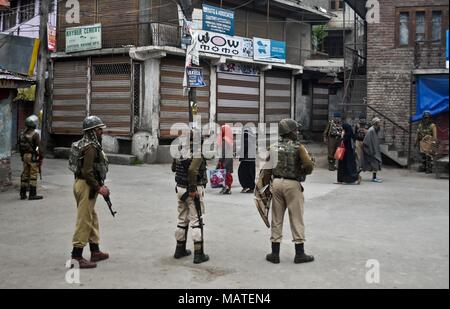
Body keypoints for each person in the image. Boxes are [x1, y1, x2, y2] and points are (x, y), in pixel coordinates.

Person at [257, 119, 315, 264]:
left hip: (276, 183)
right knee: (296, 217)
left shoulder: (273, 147)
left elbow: (267, 169)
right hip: (292, 184)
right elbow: (308, 164)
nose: (297, 132)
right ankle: (299, 253)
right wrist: (303, 171)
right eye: (295, 130)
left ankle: (274, 254)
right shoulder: (298, 147)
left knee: (276, 218)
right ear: (289, 132)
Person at [70, 116, 110, 269]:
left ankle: (95, 251)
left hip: (82, 184)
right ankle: (76, 256)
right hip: (86, 185)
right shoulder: (91, 147)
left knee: (92, 217)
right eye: (99, 129)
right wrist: (99, 188)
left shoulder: (85, 143)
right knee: (84, 220)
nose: (101, 132)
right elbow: (88, 172)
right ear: (92, 131)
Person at [171, 130, 209, 264]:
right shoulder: (197, 151)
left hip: (179, 188)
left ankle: (179, 249)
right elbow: (193, 170)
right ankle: (199, 254)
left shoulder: (180, 150)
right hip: (191, 189)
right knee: (196, 221)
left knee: (182, 219)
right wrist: (193, 189)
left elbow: (173, 168)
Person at [18, 115, 43, 200]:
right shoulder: (35, 134)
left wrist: (22, 156)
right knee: (33, 175)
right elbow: (38, 148)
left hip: (25, 156)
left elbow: (20, 147)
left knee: (25, 174)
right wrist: (40, 157)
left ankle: (22, 194)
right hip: (32, 156)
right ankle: (32, 194)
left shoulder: (22, 134)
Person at [363, 117, 383, 183]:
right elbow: (366, 141)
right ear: (376, 123)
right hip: (372, 150)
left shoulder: (375, 129)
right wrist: (371, 150)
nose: (380, 123)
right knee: (375, 164)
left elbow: (378, 130)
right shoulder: (371, 130)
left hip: (375, 150)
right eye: (379, 122)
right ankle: (374, 178)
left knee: (375, 164)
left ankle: (374, 177)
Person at [238, 127, 256, 193]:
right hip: (252, 159)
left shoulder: (245, 137)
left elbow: (245, 148)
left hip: (246, 159)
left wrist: (241, 157)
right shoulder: (252, 137)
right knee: (250, 173)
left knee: (242, 173)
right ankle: (251, 187)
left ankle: (247, 186)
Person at [217, 124, 234, 194]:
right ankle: (228, 188)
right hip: (229, 159)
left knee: (224, 174)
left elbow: (222, 152)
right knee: (227, 173)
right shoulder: (230, 139)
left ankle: (226, 188)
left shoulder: (224, 140)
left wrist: (220, 160)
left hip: (225, 160)